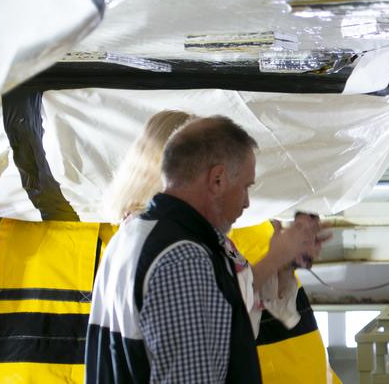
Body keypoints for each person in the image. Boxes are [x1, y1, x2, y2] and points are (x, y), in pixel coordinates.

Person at [101, 110, 335, 381]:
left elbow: (237, 303)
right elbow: (218, 304)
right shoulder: (166, 244)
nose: (245, 201)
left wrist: (284, 262)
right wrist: (276, 255)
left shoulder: (190, 231)